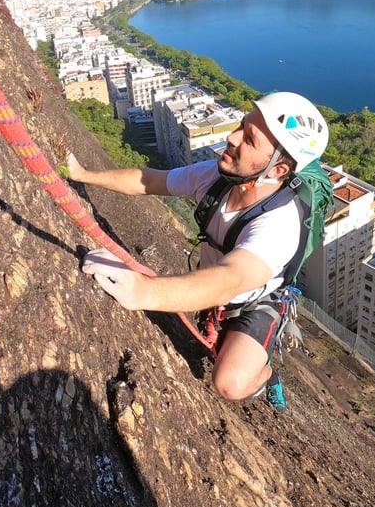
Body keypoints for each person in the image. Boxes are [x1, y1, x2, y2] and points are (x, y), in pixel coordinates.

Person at [70, 91, 328, 409]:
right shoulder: (216, 178)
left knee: (230, 383)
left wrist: (146, 292)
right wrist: (83, 175)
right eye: (241, 126)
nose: (232, 138)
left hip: (253, 303)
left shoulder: (280, 225)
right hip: (214, 288)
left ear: (276, 171)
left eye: (249, 138)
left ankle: (266, 375)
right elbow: (149, 180)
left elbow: (231, 279)